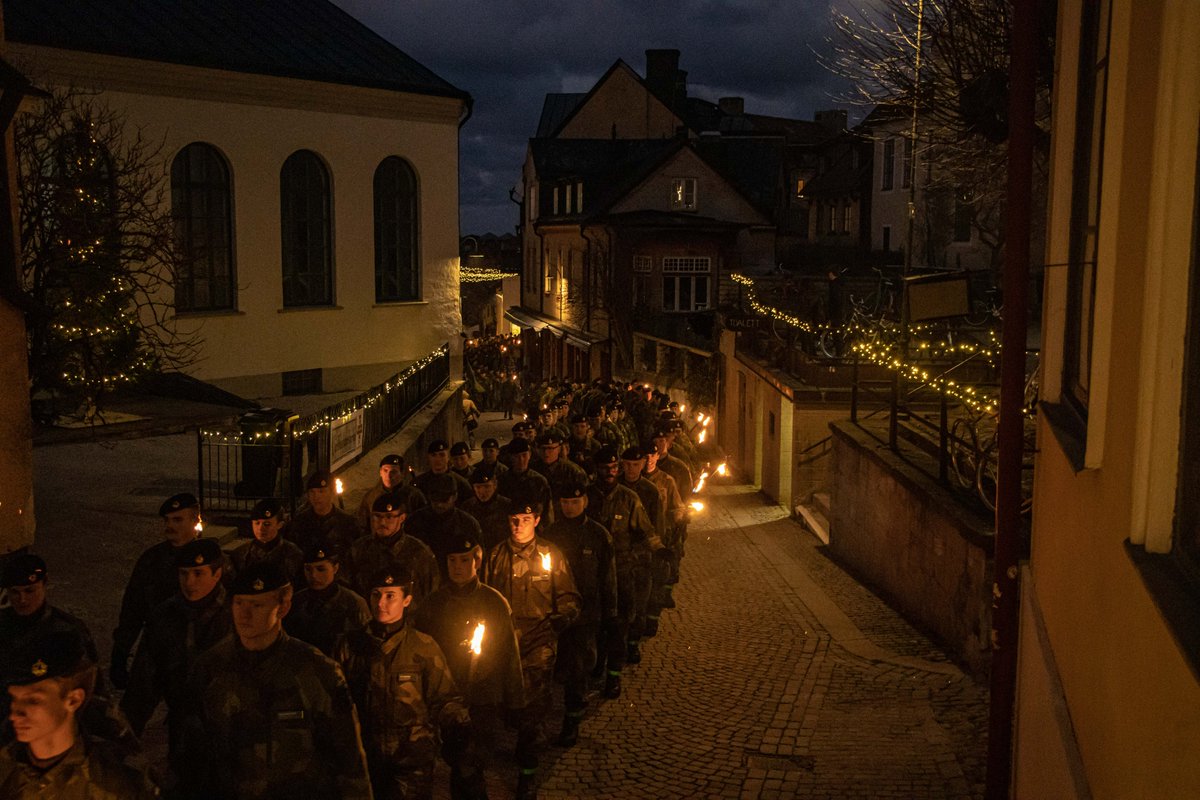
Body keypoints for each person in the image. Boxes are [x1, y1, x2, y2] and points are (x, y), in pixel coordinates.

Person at [176, 563, 372, 799]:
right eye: (239, 603)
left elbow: (349, 761)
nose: (244, 614)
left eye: (257, 605)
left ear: (283, 608)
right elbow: (189, 756)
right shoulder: (209, 668)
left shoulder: (318, 672)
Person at [334, 566, 471, 800]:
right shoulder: (350, 646)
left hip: (411, 761)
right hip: (364, 759)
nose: (381, 603)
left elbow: (444, 698)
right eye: (376, 594)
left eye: (390, 596)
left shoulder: (423, 647)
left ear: (406, 600)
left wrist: (458, 724)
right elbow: (334, 700)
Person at [413, 531, 524, 799]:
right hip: (447, 697)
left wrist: (515, 701)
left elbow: (509, 654)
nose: (458, 567)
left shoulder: (494, 602)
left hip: (484, 697)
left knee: (472, 763)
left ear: (476, 561)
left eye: (464, 560)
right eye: (452, 561)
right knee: (458, 761)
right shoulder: (434, 604)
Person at [483, 500, 581, 800]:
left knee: (533, 709)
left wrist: (563, 617)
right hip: (504, 644)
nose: (518, 525)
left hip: (539, 642)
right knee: (503, 704)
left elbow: (569, 596)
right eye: (514, 519)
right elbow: (485, 596)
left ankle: (528, 771)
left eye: (525, 519)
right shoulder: (496, 555)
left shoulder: (550, 554)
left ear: (536, 520)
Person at [1, 631, 159, 799]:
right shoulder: (5, 768)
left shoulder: (120, 785)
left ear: (73, 700)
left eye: (33, 700)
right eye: (15, 698)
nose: (15, 714)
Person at [121, 539, 231, 768]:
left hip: (233, 734)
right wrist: (123, 741)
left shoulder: (238, 614)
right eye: (183, 574)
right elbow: (143, 686)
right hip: (183, 734)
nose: (189, 582)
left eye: (198, 574)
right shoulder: (165, 616)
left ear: (217, 574)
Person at [540, 482, 617, 747]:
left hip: (586, 615)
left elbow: (607, 577)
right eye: (565, 503)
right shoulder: (550, 535)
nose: (570, 507)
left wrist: (610, 613)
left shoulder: (598, 535)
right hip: (555, 614)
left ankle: (571, 721)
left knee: (578, 670)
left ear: (584, 502)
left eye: (574, 502)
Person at [586, 446, 662, 698]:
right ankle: (597, 663)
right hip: (594, 575)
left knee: (619, 625)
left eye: (613, 468)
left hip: (622, 574)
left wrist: (658, 552)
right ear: (597, 469)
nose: (609, 472)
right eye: (604, 468)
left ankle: (614, 676)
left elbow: (646, 532)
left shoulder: (629, 498)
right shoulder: (587, 497)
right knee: (597, 624)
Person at [111, 492, 202, 690]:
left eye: (177, 520)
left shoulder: (208, 560)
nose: (170, 526)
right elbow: (133, 607)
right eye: (167, 520)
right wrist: (121, 651)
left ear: (195, 520)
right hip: (155, 644)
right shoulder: (152, 559)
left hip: (195, 649)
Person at [617, 446, 667, 661]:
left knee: (639, 601)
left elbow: (657, 525)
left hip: (641, 556)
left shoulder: (650, 491)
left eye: (635, 465)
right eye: (627, 465)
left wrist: (657, 551)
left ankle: (633, 643)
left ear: (642, 464)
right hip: (619, 556)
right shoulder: (615, 488)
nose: (631, 469)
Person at [345, 494, 440, 604]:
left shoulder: (419, 553)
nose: (382, 522)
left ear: (402, 518)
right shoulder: (359, 550)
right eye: (377, 516)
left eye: (389, 517)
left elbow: (432, 595)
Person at [284, 543, 370, 657]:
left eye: (321, 569)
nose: (313, 575)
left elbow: (364, 647)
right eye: (308, 569)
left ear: (335, 568)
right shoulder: (296, 601)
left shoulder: (353, 603)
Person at [642, 443, 687, 627]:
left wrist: (676, 521)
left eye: (652, 456)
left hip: (661, 535)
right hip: (641, 538)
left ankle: (653, 616)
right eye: (645, 457)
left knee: (659, 576)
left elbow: (677, 506)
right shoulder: (635, 482)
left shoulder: (666, 480)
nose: (648, 460)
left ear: (657, 457)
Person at [230, 497, 304, 586]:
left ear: (280, 525)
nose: (260, 528)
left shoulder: (293, 554)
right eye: (257, 523)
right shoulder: (241, 554)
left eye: (267, 524)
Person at [285, 470, 360, 556]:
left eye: (321, 491)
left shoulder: (348, 523)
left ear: (332, 493)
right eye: (312, 492)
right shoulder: (299, 522)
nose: (316, 497)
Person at [356, 453, 427, 532]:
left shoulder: (413, 495)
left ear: (402, 473)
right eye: (385, 470)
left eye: (393, 472)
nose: (389, 475)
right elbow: (363, 524)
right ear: (380, 472)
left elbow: (423, 522)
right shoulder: (371, 496)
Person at [497, 439, 553, 529]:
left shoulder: (539, 481)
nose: (521, 460)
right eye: (517, 456)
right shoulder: (502, 480)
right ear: (511, 457)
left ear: (529, 455)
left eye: (524, 455)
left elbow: (547, 511)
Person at [460, 464, 515, 552]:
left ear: (495, 485)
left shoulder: (507, 506)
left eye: (487, 486)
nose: (482, 491)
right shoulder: (467, 508)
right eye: (478, 487)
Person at [414, 440, 473, 504]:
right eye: (433, 455)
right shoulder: (420, 482)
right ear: (428, 457)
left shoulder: (460, 483)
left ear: (448, 457)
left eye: (442, 455)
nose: (438, 459)